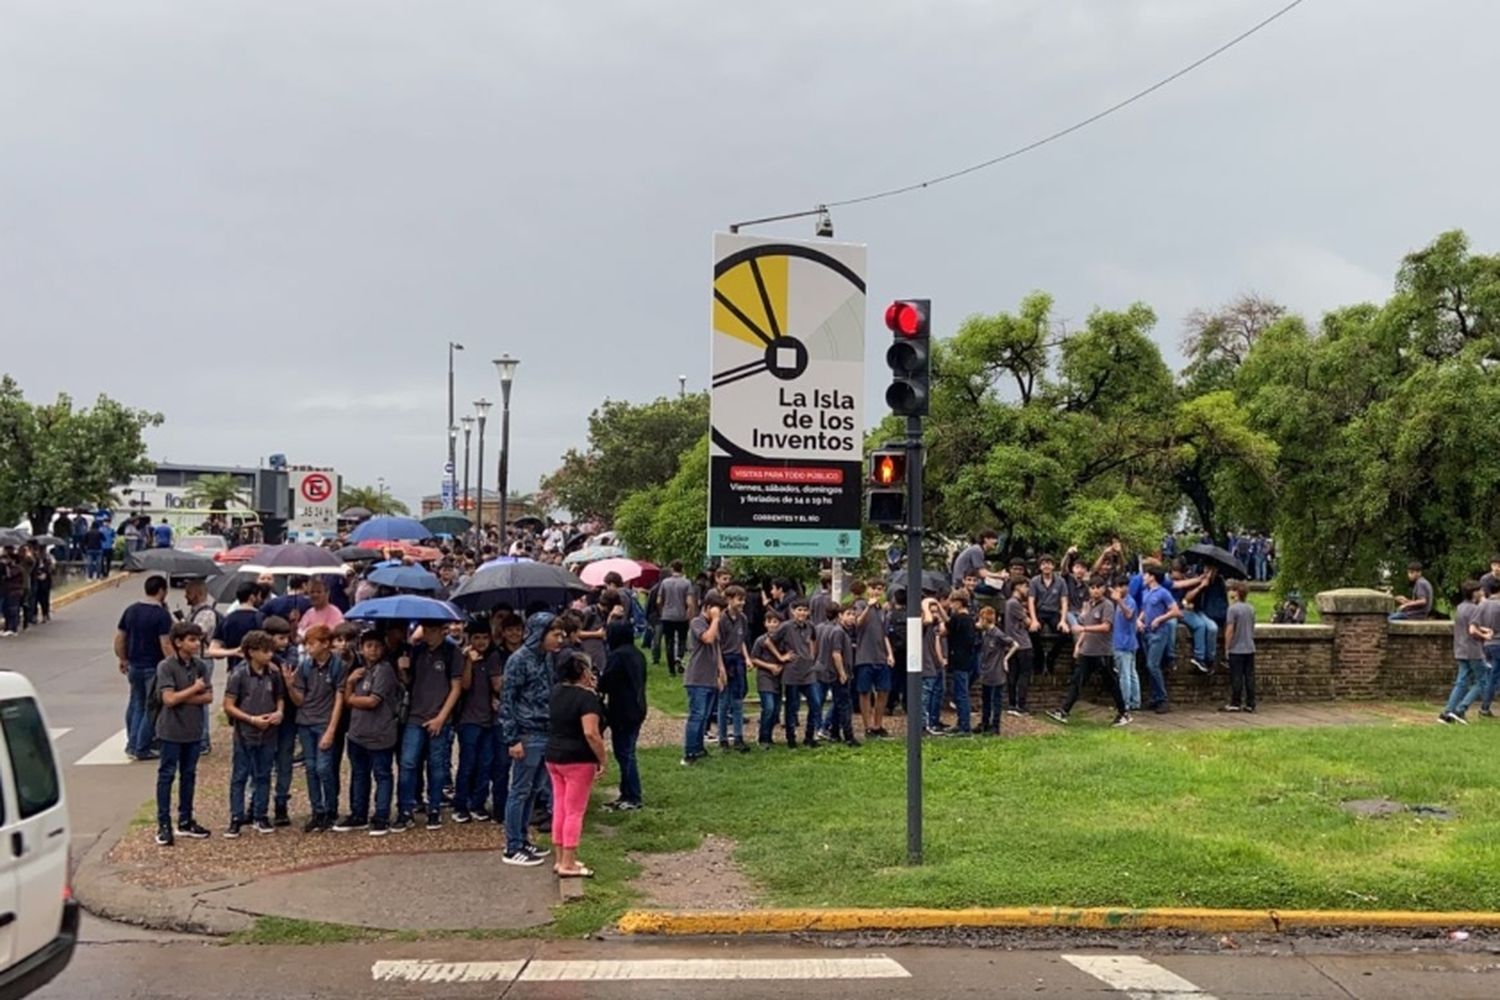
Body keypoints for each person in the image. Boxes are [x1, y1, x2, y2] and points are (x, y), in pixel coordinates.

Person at [501, 613, 565, 866]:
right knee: (519, 790)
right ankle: (512, 845)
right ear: (540, 633)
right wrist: (512, 738)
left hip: (545, 729)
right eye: (555, 634)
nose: (559, 639)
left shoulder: (547, 658)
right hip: (527, 733)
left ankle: (523, 838)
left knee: (534, 789)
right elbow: (508, 699)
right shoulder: (518, 660)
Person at [545, 652, 608, 879]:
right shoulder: (587, 698)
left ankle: (560, 857)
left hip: (553, 755)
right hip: (578, 759)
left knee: (560, 807)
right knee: (574, 811)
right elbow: (591, 732)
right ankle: (569, 864)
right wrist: (602, 758)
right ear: (583, 671)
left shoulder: (555, 693)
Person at [396, 619, 463, 831]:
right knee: (408, 763)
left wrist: (442, 717)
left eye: (433, 630)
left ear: (442, 632)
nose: (429, 635)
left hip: (439, 716)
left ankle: (434, 808)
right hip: (415, 715)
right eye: (426, 630)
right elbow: (408, 683)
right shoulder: (416, 651)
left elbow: (456, 688)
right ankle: (405, 809)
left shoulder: (452, 652)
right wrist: (403, 671)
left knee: (436, 766)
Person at [153, 622, 215, 846]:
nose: (196, 643)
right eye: (191, 639)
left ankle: (186, 819)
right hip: (170, 730)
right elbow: (168, 700)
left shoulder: (200, 666)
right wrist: (193, 690)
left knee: (189, 775)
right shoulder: (166, 666)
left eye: (198, 639)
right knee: (167, 775)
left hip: (193, 729)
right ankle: (163, 823)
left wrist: (183, 696)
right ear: (178, 642)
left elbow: (208, 697)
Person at [335, 631, 401, 835]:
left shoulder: (385, 670)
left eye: (377, 646)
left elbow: (373, 701)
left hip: (380, 732)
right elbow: (345, 697)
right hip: (357, 732)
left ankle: (381, 816)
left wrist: (351, 698)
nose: (373, 650)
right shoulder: (359, 670)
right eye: (369, 646)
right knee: (359, 775)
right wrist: (350, 683)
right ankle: (358, 814)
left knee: (382, 774)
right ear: (361, 648)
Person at [222, 630, 284, 837]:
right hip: (245, 732)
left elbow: (279, 697)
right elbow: (229, 705)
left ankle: (261, 814)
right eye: (265, 651)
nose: (269, 656)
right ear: (252, 652)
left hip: (268, 731)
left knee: (264, 774)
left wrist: (279, 712)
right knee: (240, 775)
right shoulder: (239, 674)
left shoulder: (273, 674)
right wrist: (250, 719)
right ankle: (236, 816)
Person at [1046, 576, 1128, 727]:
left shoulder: (1108, 605)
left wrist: (1083, 628)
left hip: (1103, 652)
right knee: (1077, 681)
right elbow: (1086, 627)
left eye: (1098, 587)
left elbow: (1106, 627)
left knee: (1111, 683)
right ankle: (1063, 711)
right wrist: (1079, 645)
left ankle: (1123, 713)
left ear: (1104, 589)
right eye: (1092, 587)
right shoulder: (1089, 605)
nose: (1095, 590)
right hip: (1088, 651)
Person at [289, 624, 345, 832]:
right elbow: (300, 699)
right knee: (311, 768)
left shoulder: (337, 666)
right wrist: (289, 685)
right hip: (305, 721)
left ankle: (331, 808)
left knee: (324, 767)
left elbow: (339, 698)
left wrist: (331, 729)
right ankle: (317, 810)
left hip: (324, 722)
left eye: (312, 643)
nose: (309, 648)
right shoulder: (305, 666)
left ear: (325, 644)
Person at [116, 576, 175, 760]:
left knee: (135, 703)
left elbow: (120, 638)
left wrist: (123, 657)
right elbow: (165, 644)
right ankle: (140, 746)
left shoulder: (131, 610)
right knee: (150, 707)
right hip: (153, 665)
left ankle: (131, 742)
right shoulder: (161, 615)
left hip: (134, 664)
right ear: (161, 591)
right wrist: (175, 664)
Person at [453, 622, 504, 824]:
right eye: (477, 638)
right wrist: (468, 662)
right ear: (469, 639)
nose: (481, 642)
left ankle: (478, 803)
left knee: (485, 764)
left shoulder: (493, 657)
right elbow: (464, 686)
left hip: (489, 720)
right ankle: (461, 804)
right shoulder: (463, 657)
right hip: (469, 720)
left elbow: (496, 685)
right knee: (467, 764)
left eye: (484, 637)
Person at [599, 621, 647, 809]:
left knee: (625, 753)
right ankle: (626, 792)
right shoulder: (638, 654)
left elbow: (606, 683)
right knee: (628, 751)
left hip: (622, 711)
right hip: (638, 707)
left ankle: (633, 795)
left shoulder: (617, 656)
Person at [682, 591, 727, 763]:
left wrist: (721, 670)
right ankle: (689, 752)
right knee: (697, 715)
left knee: (705, 716)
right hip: (697, 677)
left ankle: (699, 747)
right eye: (717, 611)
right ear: (708, 608)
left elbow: (716, 647)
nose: (720, 616)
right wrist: (715, 620)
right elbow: (707, 639)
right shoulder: (697, 622)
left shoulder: (713, 624)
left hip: (710, 677)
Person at [769, 597, 819, 748]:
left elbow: (813, 640)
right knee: (792, 705)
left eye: (805, 610)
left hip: (808, 671)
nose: (802, 613)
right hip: (792, 671)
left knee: (815, 703)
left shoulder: (810, 626)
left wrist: (811, 656)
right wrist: (781, 657)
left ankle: (809, 736)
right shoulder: (786, 627)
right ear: (793, 611)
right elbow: (770, 640)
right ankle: (791, 737)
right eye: (799, 610)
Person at [1440, 580, 1487, 724]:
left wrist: (1483, 629)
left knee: (1461, 682)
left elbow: (1466, 626)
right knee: (1482, 681)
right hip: (1473, 650)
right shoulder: (1475, 609)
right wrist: (1486, 635)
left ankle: (1447, 712)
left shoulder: (1460, 607)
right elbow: (1472, 630)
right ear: (1474, 593)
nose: (1482, 592)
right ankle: (1461, 709)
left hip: (1460, 648)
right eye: (1480, 590)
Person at [852, 579, 895, 738]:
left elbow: (884, 635)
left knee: (884, 690)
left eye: (881, 590)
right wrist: (868, 607)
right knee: (864, 692)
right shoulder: (861, 605)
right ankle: (867, 725)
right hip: (865, 655)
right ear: (868, 589)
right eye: (875, 589)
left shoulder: (882, 610)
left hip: (881, 655)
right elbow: (857, 623)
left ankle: (878, 724)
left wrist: (890, 654)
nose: (878, 592)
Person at [1138, 562, 1182, 714]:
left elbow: (1176, 611)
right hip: (1147, 632)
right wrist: (1139, 620)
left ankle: (1162, 698)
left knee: (1153, 665)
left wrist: (1160, 619)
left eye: (1146, 574)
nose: (1143, 577)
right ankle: (1155, 698)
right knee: (1149, 666)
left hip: (1159, 633)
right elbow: (1144, 609)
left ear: (1152, 577)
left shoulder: (1163, 593)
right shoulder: (1146, 592)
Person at [716, 585, 751, 752]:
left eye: (743, 599)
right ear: (729, 600)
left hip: (737, 660)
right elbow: (717, 644)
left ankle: (738, 737)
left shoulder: (742, 618)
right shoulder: (721, 619)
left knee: (738, 700)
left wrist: (747, 658)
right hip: (724, 659)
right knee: (723, 701)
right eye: (739, 599)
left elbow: (741, 640)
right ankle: (722, 738)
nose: (742, 603)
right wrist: (720, 667)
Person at [1170, 562, 1220, 674]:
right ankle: (1199, 657)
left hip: (1198, 611)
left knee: (1212, 628)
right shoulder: (1170, 582)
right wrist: (1201, 584)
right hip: (1178, 611)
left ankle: (1210, 660)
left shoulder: (1218, 583)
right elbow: (1185, 599)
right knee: (1200, 625)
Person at [976, 605, 1015, 735]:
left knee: (996, 700)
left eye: (981, 619)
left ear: (985, 620)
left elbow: (1014, 644)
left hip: (997, 671)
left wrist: (1005, 659)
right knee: (985, 698)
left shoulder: (998, 634)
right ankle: (985, 722)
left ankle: (995, 725)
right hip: (987, 670)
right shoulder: (985, 633)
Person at [750, 609, 785, 749]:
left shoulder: (783, 641)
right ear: (765, 624)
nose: (773, 625)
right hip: (765, 677)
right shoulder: (761, 640)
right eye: (770, 622)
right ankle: (763, 737)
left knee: (776, 709)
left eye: (776, 622)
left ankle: (769, 736)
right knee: (768, 707)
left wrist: (781, 666)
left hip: (778, 678)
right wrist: (769, 666)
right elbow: (753, 659)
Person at [1223, 580, 1258, 713]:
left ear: (1236, 593)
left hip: (1237, 648)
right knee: (1249, 676)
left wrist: (1227, 647)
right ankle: (1250, 703)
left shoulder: (1232, 609)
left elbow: (1230, 629)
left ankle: (1235, 702)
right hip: (1250, 647)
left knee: (1236, 676)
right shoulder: (1251, 608)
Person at [944, 589, 977, 734]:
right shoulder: (969, 619)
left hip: (959, 659)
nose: (950, 605)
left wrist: (939, 610)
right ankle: (961, 723)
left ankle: (964, 725)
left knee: (961, 693)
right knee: (961, 692)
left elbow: (947, 627)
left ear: (958, 602)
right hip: (967, 659)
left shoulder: (958, 619)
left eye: (952, 602)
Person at [657, 560, 695, 676]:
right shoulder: (686, 583)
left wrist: (662, 610)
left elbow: (658, 600)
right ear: (682, 569)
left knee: (669, 641)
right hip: (681, 616)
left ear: (671, 569)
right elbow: (689, 602)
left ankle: (671, 670)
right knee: (682, 639)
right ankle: (679, 656)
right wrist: (690, 615)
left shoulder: (665, 582)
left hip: (667, 615)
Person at [1111, 575, 1141, 714]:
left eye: (1123, 586)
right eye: (1119, 586)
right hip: (1127, 641)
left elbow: (1129, 615)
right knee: (1131, 673)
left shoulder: (1129, 601)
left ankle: (1126, 703)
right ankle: (1135, 701)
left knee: (1125, 674)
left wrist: (1119, 601)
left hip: (1124, 643)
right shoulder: (1121, 602)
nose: (1121, 589)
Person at [1003, 577, 1033, 716]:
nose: (1027, 590)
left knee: (1013, 675)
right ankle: (1020, 705)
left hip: (1012, 644)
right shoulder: (1014, 604)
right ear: (1018, 587)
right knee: (1023, 675)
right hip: (1022, 644)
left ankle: (1012, 704)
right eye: (1025, 587)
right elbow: (1029, 623)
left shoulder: (1011, 603)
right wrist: (1028, 616)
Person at [920, 596, 947, 734]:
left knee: (936, 693)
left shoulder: (935, 627)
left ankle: (932, 722)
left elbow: (945, 625)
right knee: (925, 695)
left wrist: (939, 612)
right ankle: (923, 725)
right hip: (926, 664)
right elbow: (928, 619)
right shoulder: (922, 624)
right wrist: (926, 605)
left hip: (935, 663)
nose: (934, 614)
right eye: (932, 611)